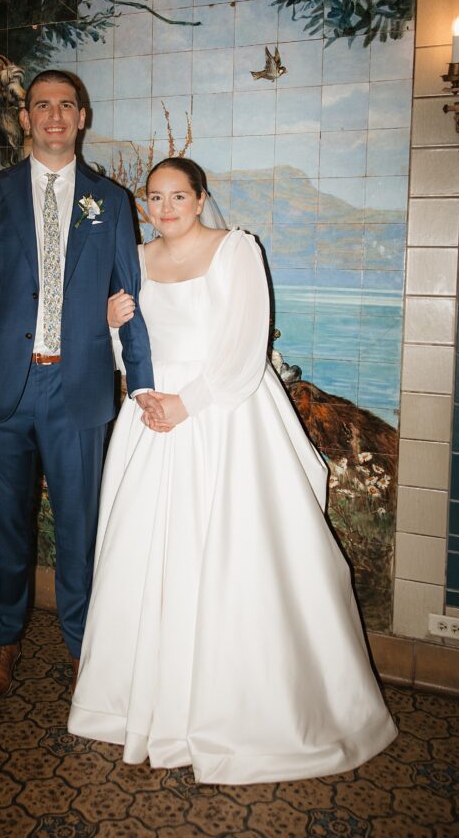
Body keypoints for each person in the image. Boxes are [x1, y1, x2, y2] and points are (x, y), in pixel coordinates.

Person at [68, 157, 397, 785]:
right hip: (150, 417)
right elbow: (130, 348)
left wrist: (186, 405)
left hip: (220, 415)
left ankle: (235, 712)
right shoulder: (135, 258)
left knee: (230, 559)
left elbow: (246, 343)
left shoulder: (236, 249)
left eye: (178, 197)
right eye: (155, 198)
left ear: (199, 199)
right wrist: (114, 335)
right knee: (147, 558)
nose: (165, 209)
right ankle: (146, 704)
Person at [0, 70, 157, 700]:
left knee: (79, 528)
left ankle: (82, 650)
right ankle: (2, 644)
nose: (55, 115)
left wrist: (140, 384)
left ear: (82, 117)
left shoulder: (110, 200)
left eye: (67, 105)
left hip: (80, 388)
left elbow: (129, 297)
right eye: (43, 105)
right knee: (3, 527)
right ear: (25, 119)